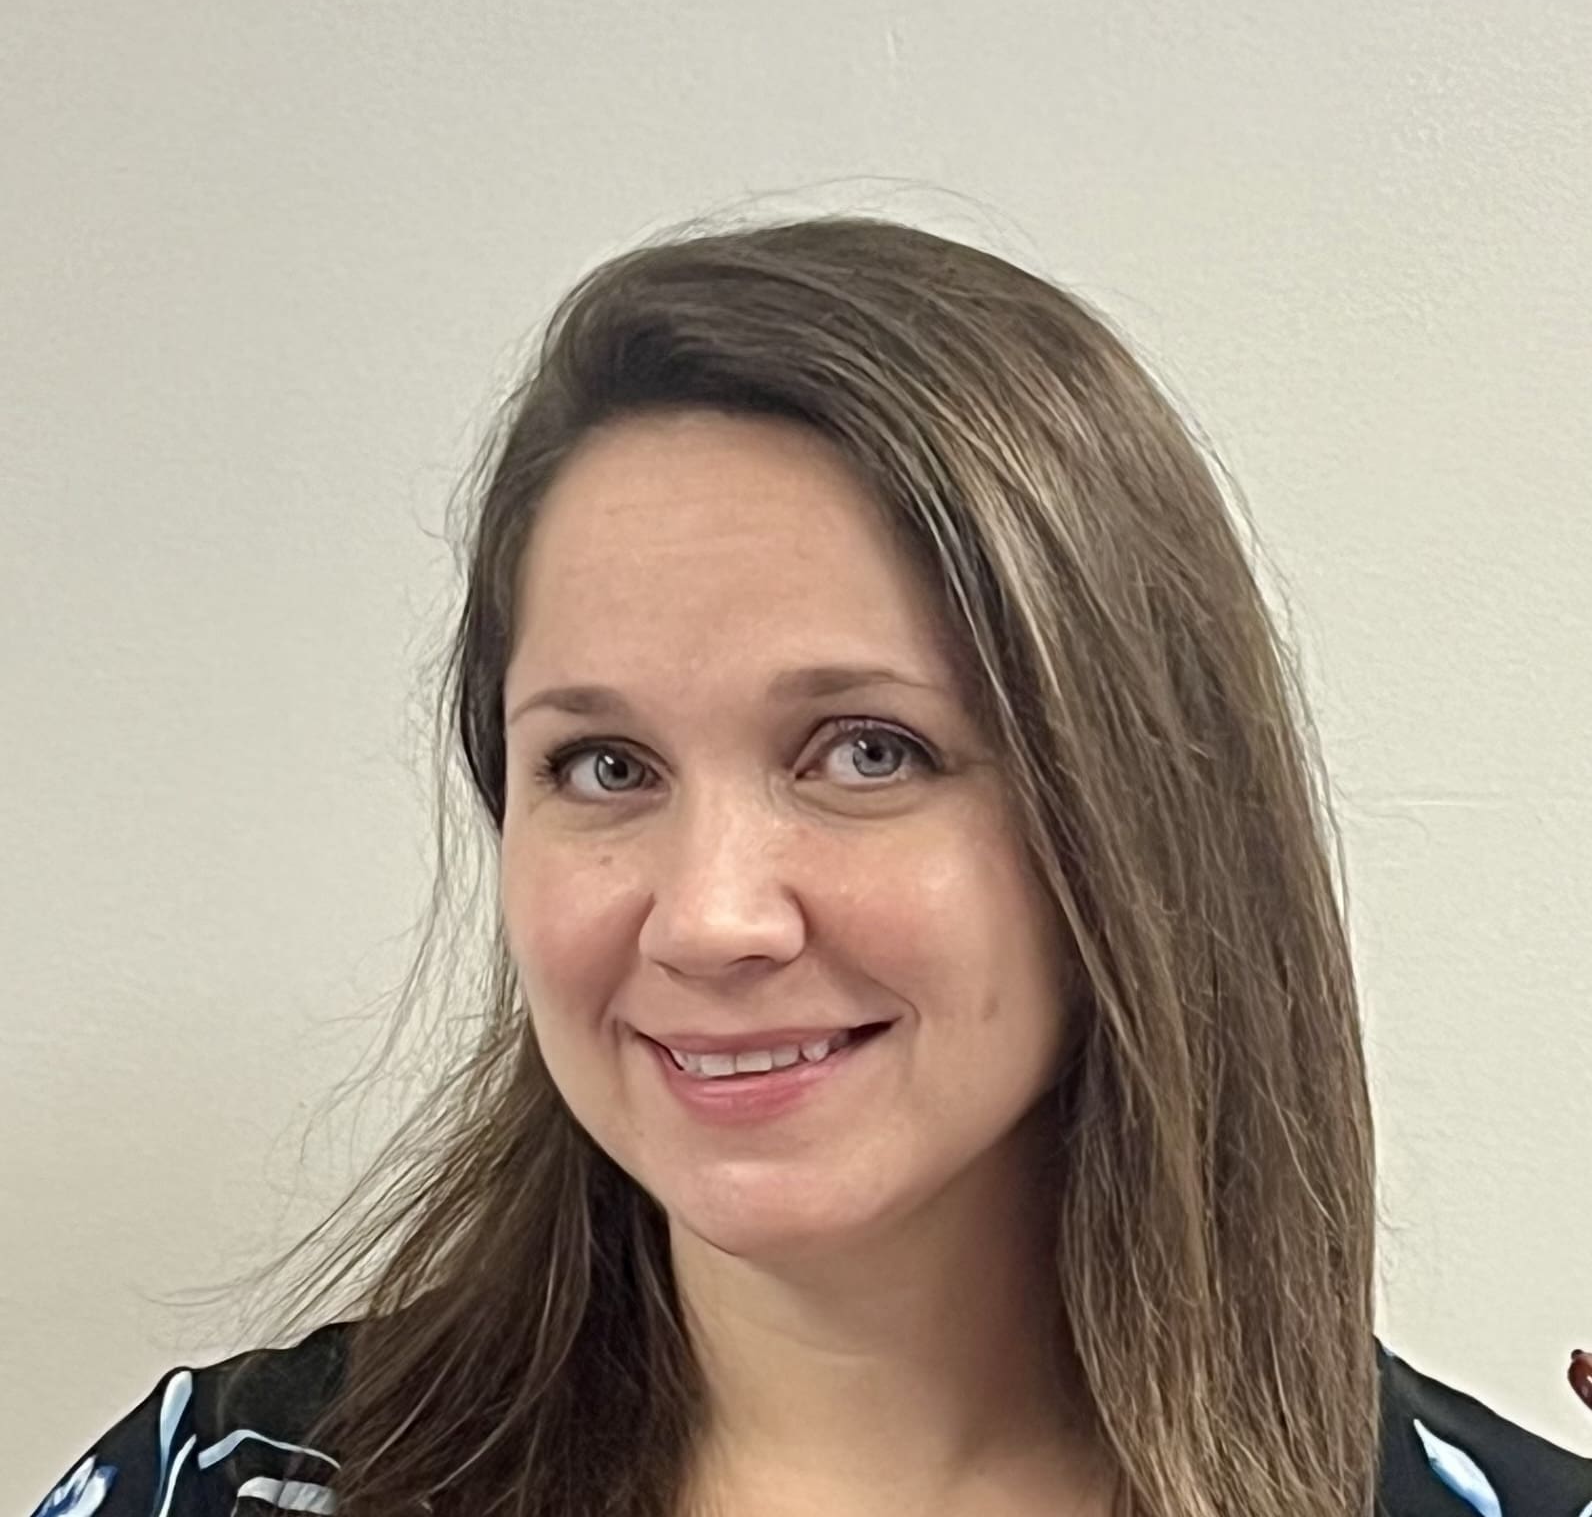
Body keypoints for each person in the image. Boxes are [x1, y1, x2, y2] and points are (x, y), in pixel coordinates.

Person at [26, 217, 1592, 1517]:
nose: (711, 916)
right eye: (605, 766)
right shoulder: (229, 1487)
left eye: (866, 752)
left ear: (1137, 823)